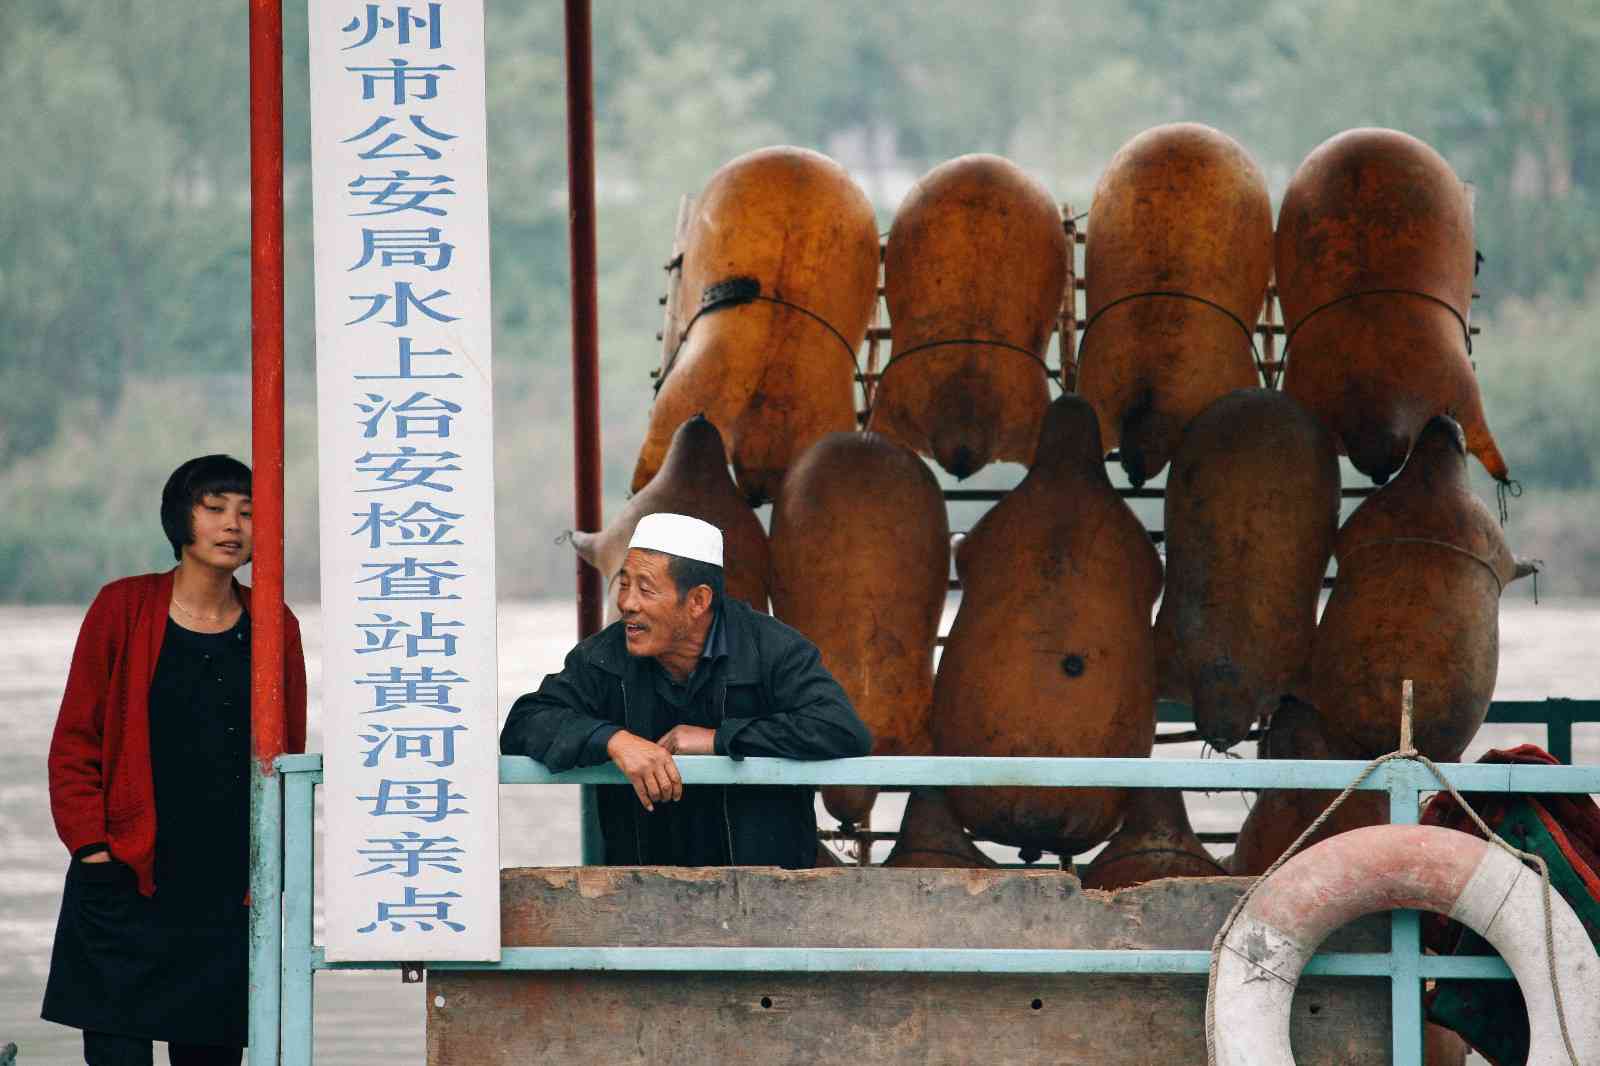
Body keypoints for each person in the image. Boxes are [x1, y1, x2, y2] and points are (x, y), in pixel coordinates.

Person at [42, 455, 308, 1066]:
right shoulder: (121, 608)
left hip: (222, 893)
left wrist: (273, 870)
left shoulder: (275, 624)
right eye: (213, 508)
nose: (232, 525)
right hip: (125, 876)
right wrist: (92, 848)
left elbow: (286, 751)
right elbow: (75, 741)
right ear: (179, 518)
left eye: (247, 511)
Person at [500, 512, 871, 868]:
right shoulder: (604, 657)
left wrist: (718, 740)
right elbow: (524, 723)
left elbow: (842, 729)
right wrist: (613, 740)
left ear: (698, 601)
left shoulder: (773, 649)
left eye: (645, 589)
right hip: (644, 896)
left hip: (766, 898)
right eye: (624, 584)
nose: (627, 604)